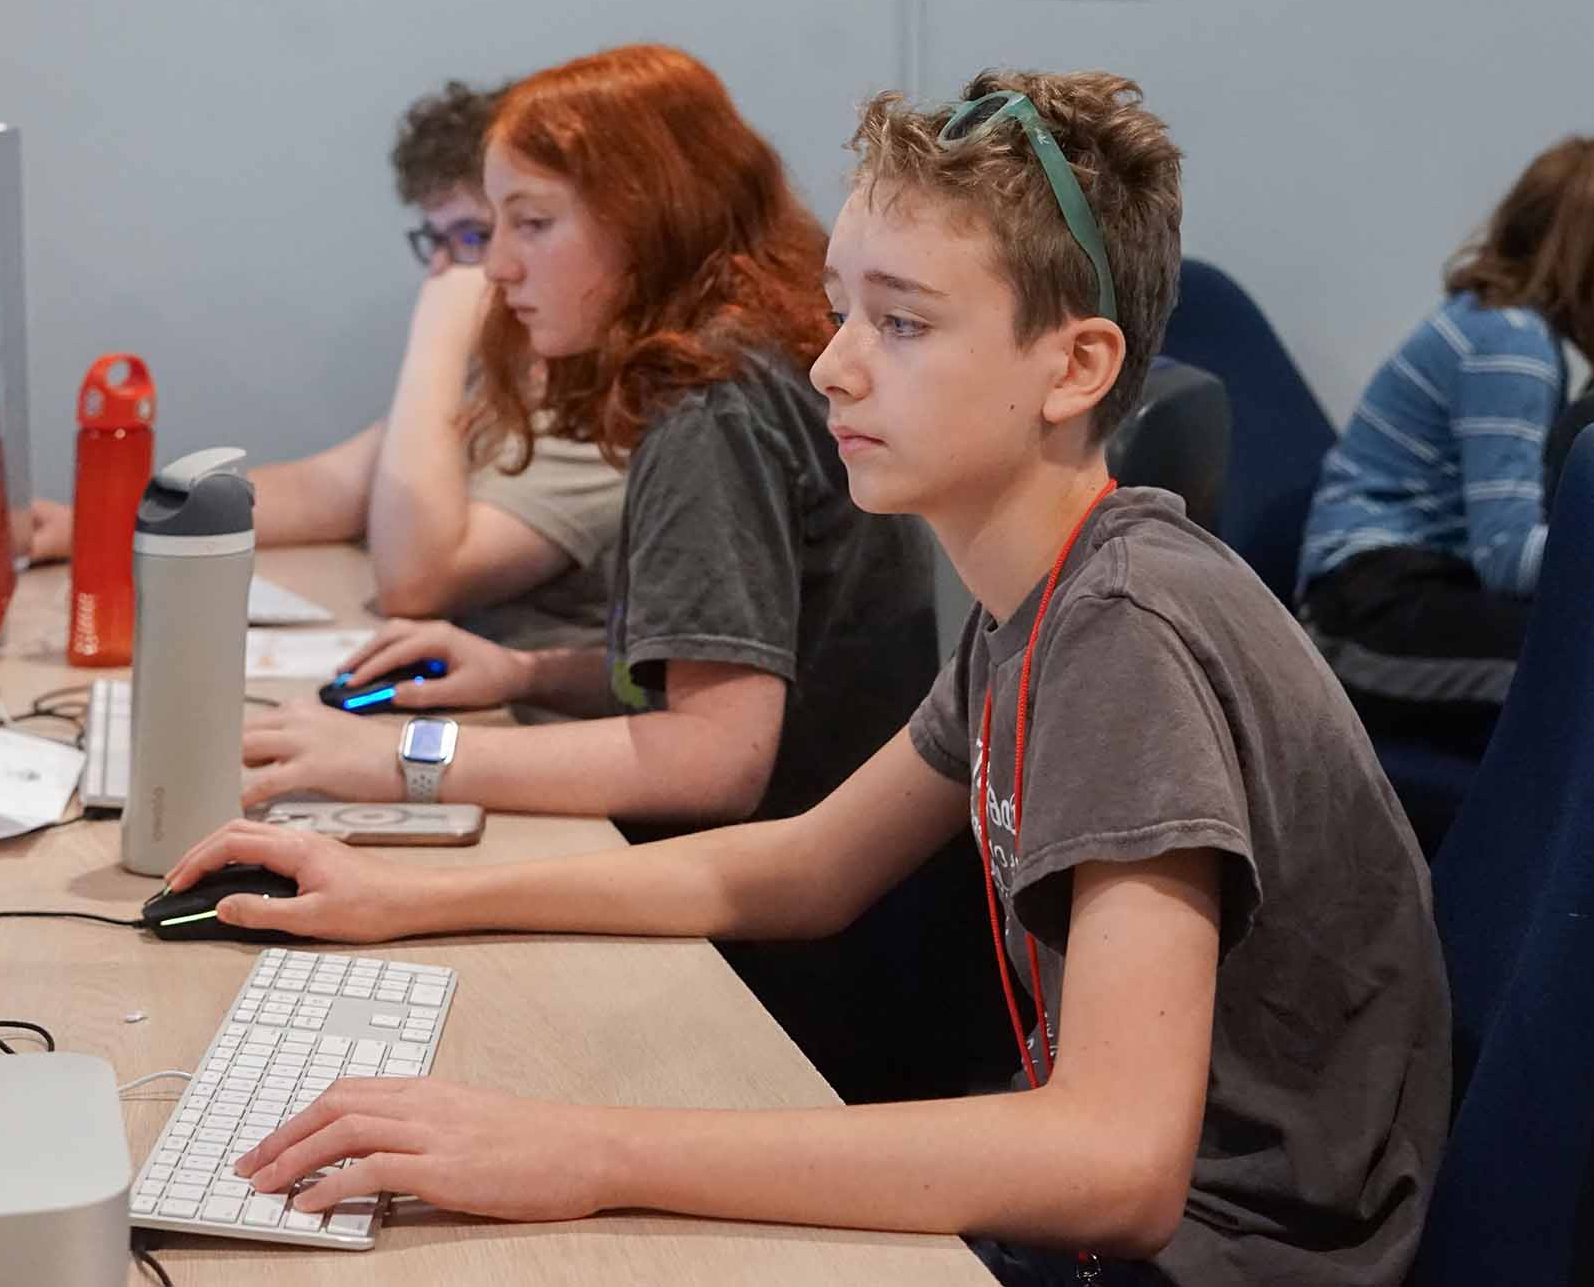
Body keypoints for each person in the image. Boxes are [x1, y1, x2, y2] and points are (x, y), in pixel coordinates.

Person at [163, 69, 1451, 1286]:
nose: (833, 362)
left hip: (1217, 1260)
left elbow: (1115, 1163)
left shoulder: (1123, 629)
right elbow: (799, 865)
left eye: (899, 321)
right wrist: (405, 898)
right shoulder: (1038, 603)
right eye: (843, 306)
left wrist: (591, 1149)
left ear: (1074, 367)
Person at [236, 44, 959, 1102]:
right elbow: (747, 666)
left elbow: (713, 758)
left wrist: (396, 754)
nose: (495, 269)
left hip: (786, 991)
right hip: (867, 942)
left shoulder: (706, 405)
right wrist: (526, 676)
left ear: (645, 214)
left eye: (532, 224)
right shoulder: (753, 349)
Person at [30, 79, 629, 651]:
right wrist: (97, 523)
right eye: (438, 241)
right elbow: (330, 489)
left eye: (473, 236)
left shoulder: (598, 403)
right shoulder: (501, 371)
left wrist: (440, 326)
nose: (452, 269)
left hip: (530, 722)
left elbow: (416, 583)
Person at [1298, 138, 1594, 758]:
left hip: (1416, 585)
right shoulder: (1511, 347)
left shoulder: (1511, 327)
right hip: (1365, 613)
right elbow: (1508, 556)